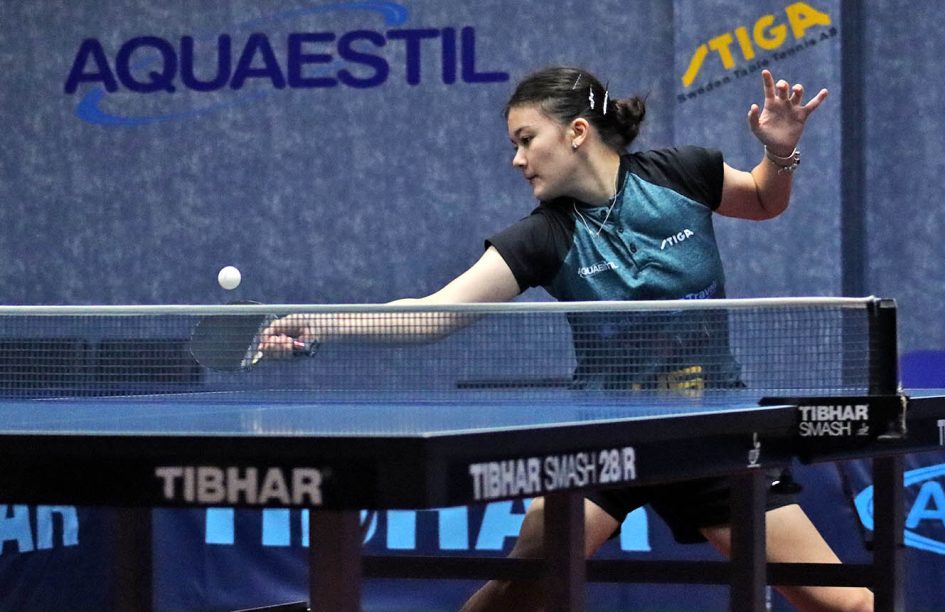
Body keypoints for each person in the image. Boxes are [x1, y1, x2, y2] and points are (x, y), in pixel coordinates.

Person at [263, 66, 873, 611]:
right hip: (605, 441)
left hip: (710, 432)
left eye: (526, 139)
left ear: (577, 132)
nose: (517, 159)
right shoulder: (544, 237)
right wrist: (323, 324)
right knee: (516, 591)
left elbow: (763, 199)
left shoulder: (684, 173)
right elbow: (433, 315)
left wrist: (779, 153)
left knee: (845, 604)